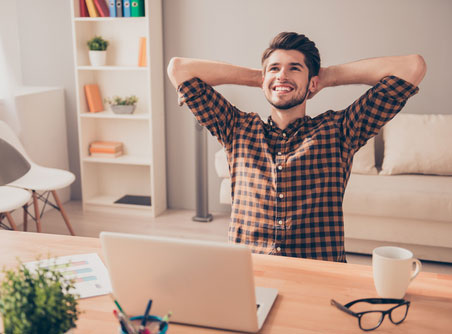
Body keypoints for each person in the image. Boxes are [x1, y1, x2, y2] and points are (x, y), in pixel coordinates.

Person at [167, 32, 426, 262]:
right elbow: (179, 69)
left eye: (294, 69)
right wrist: (262, 78)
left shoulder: (340, 130)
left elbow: (412, 67)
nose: (282, 74)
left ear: (312, 83)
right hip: (249, 273)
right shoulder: (236, 128)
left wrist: (327, 77)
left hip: (318, 274)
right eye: (275, 68)